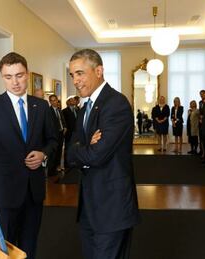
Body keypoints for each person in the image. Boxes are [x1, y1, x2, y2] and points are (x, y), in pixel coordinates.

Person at [0, 52, 58, 258]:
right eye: (8, 77)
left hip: (34, 190)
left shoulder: (42, 106)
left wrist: (43, 154)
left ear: (27, 75)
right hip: (4, 191)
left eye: (19, 75)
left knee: (29, 246)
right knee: (3, 247)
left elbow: (54, 140)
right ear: (2, 77)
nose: (15, 82)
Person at [67, 49, 139, 259]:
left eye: (80, 73)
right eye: (72, 75)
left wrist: (81, 149)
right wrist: (83, 149)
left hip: (112, 208)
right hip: (89, 207)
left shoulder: (116, 104)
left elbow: (96, 155)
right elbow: (69, 154)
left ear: (98, 71)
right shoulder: (84, 108)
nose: (75, 81)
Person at [48, 94, 67, 176]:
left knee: (59, 151)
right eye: (51, 100)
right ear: (50, 102)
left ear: (57, 100)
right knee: (53, 152)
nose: (53, 102)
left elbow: (62, 120)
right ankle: (51, 171)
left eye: (55, 100)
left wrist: (65, 127)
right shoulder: (48, 111)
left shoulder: (59, 110)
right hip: (54, 135)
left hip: (61, 133)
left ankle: (58, 166)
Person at [62, 96, 78, 169]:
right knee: (68, 149)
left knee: (76, 148)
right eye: (71, 100)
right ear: (68, 102)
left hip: (76, 133)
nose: (73, 101)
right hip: (69, 133)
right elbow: (64, 123)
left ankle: (75, 162)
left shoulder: (77, 109)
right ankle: (67, 164)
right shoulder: (64, 111)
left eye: (74, 100)